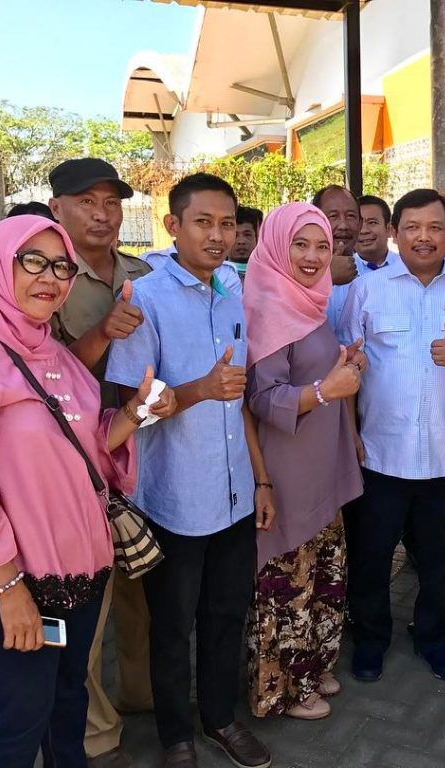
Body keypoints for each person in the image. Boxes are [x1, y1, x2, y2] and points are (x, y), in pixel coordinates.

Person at [0, 214, 176, 768]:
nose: (49, 277)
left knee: (67, 701)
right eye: (33, 260)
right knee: (20, 715)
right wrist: (11, 592)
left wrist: (133, 412)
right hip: (4, 583)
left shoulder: (56, 356)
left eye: (60, 266)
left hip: (80, 570)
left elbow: (89, 450)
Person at [105, 173, 274, 768]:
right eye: (203, 222)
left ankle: (220, 718)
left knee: (226, 614)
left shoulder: (232, 293)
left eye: (227, 223)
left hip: (231, 495)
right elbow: (132, 408)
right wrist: (199, 389)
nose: (218, 234)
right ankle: (177, 735)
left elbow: (243, 401)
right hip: (174, 497)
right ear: (172, 226)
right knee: (173, 625)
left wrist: (260, 479)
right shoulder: (145, 299)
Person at [339, 188, 445, 683]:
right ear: (394, 232)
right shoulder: (367, 290)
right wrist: (351, 437)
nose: (423, 237)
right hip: (382, 455)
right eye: (412, 227)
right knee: (371, 556)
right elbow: (348, 367)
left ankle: (432, 637)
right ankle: (370, 639)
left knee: (441, 560)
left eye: (435, 227)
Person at [46, 157, 152, 768]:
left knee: (141, 593)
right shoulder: (47, 276)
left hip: (141, 453)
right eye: (87, 201)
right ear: (57, 207)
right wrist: (103, 333)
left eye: (111, 202)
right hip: (78, 465)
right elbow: (43, 380)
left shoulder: (141, 271)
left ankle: (138, 696)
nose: (103, 213)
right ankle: (92, 732)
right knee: (86, 602)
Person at [243, 202, 365, 720]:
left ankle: (312, 666)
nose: (314, 256)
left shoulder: (310, 304)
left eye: (322, 245)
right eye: (301, 244)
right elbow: (261, 399)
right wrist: (325, 388)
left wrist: (343, 367)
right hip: (288, 470)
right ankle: (285, 689)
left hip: (321, 463)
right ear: (275, 246)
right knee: (288, 583)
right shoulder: (269, 308)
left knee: (322, 575)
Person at [314, 185, 361, 330]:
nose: (343, 225)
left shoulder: (377, 278)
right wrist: (325, 277)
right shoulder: (295, 273)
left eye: (351, 216)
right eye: (333, 216)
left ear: (361, 223)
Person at [357, 195, 399, 269]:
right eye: (358, 224)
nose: (363, 231)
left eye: (372, 222)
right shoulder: (341, 272)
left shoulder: (407, 267)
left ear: (389, 229)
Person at [229, 205, 262, 275]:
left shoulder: (269, 273)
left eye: (247, 235)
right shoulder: (212, 275)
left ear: (257, 238)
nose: (241, 241)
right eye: (235, 235)